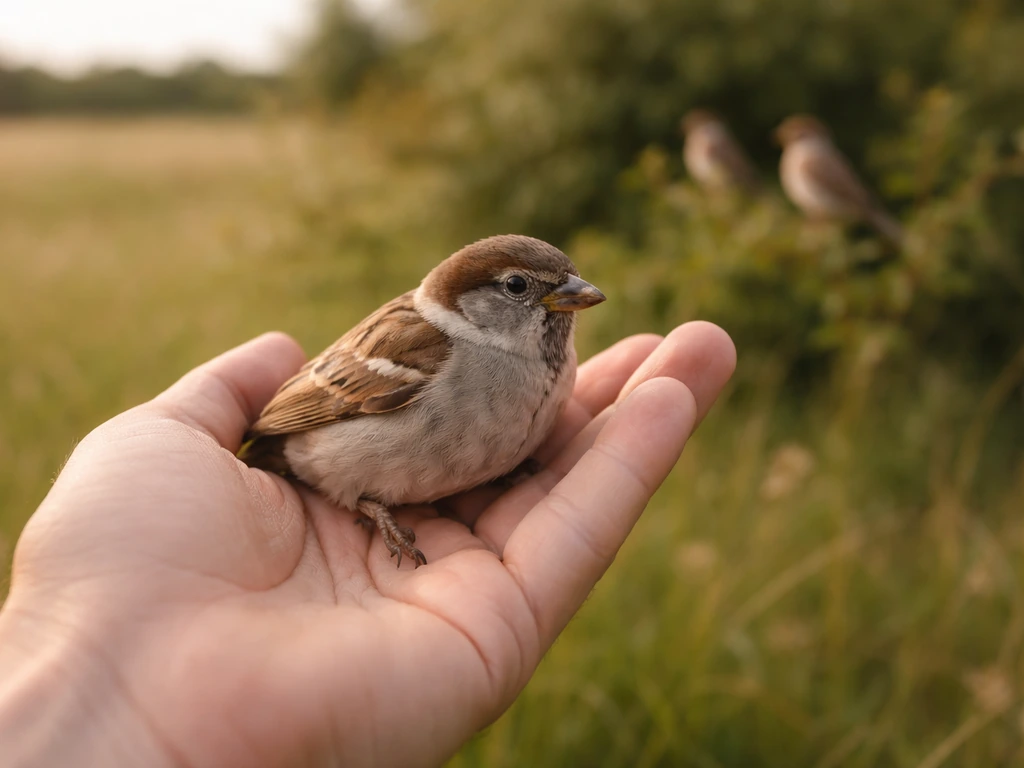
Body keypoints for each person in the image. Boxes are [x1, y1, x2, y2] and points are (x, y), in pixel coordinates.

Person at [0, 322, 735, 767]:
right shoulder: (428, 348)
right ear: (470, 304)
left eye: (558, 285)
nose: (563, 299)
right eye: (521, 290)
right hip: (323, 453)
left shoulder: (555, 361)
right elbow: (313, 403)